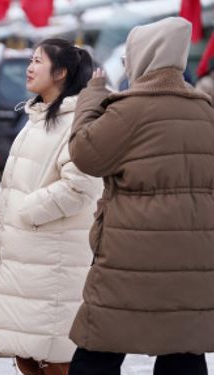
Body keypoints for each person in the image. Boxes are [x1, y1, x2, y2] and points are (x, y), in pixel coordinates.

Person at [67, 17, 214, 375]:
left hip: (129, 260)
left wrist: (92, 96)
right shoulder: (205, 110)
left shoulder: (130, 109)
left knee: (96, 354)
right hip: (194, 261)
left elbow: (86, 153)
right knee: (183, 352)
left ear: (143, 57)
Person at [0, 38, 103, 375]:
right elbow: (29, 178)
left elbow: (81, 186)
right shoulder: (39, 117)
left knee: (56, 360)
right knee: (26, 356)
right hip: (31, 261)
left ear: (61, 72)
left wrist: (27, 209)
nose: (30, 67)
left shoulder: (77, 121)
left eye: (38, 61)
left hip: (54, 262)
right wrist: (3, 202)